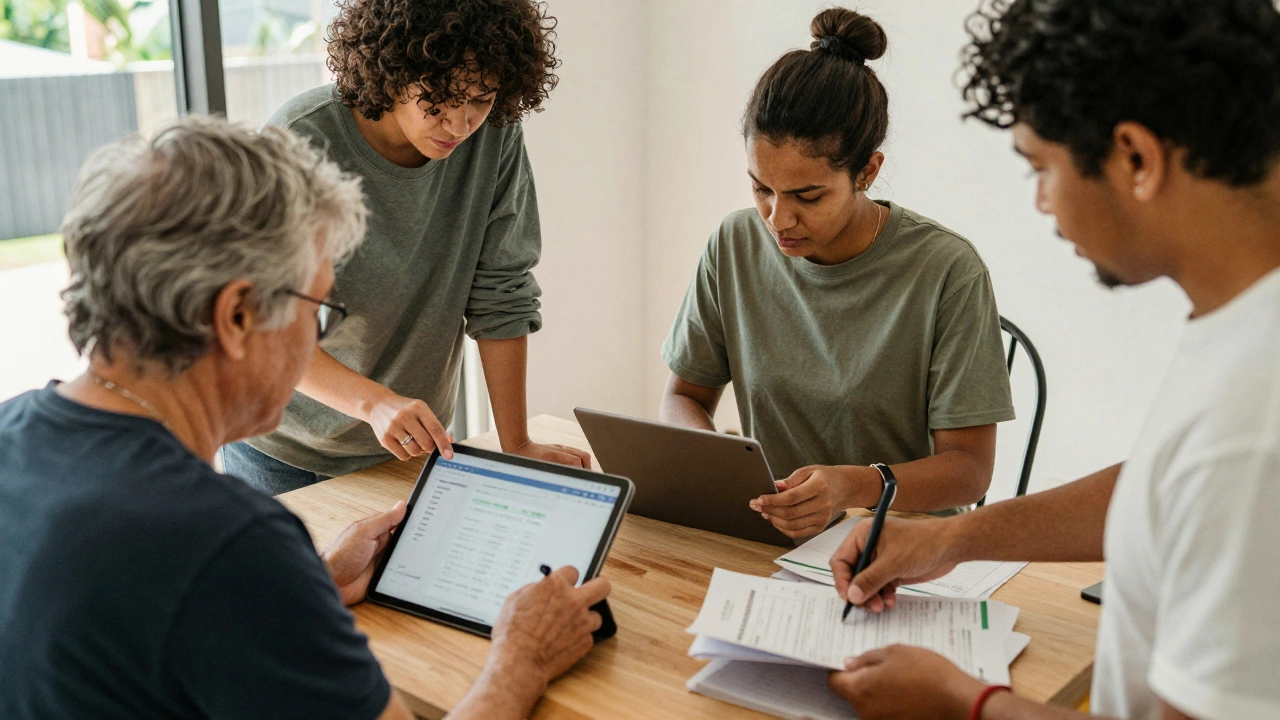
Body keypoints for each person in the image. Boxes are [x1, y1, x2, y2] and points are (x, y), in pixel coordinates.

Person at [0, 117, 611, 720]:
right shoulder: (229, 545)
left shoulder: (12, 436)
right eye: (318, 310)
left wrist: (304, 588)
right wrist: (522, 660)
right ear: (237, 316)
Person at [826, 1, 1280, 718]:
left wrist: (964, 702)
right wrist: (952, 537)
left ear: (1135, 157)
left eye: (1043, 168)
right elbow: (1168, 494)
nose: (1041, 202)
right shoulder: (1246, 322)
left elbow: (1220, 475)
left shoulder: (1253, 425)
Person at [659, 7, 1015, 539]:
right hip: (773, 540)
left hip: (903, 546)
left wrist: (854, 486)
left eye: (808, 195)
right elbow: (682, 397)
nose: (778, 219)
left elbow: (968, 470)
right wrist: (719, 462)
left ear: (867, 171)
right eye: (762, 188)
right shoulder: (734, 245)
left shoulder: (946, 271)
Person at [221, 0, 591, 495]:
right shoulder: (301, 140)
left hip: (410, 447)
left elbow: (501, 291)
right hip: (282, 449)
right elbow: (262, 324)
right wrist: (373, 403)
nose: (460, 125)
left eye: (480, 100)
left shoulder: (495, 135)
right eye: (438, 99)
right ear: (392, 71)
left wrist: (517, 442)